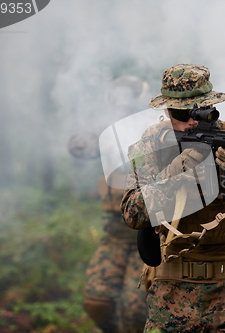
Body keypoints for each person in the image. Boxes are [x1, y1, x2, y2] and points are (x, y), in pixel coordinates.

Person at [121, 64, 225, 332]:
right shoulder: (151, 144)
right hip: (172, 288)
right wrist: (177, 174)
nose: (193, 121)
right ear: (168, 112)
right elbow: (133, 214)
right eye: (183, 113)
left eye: (202, 111)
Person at [68, 76, 150, 333]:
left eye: (128, 95)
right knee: (97, 302)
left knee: (135, 310)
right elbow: (79, 147)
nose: (122, 100)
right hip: (114, 235)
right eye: (118, 95)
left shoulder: (155, 129)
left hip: (148, 237)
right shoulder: (108, 130)